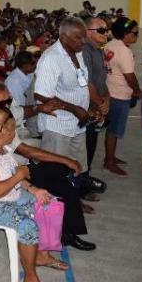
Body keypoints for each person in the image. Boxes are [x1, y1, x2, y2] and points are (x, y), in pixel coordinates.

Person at [0, 109, 68, 282]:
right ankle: (30, 277)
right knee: (27, 225)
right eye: (13, 128)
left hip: (8, 194)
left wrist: (33, 189)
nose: (15, 132)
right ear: (3, 130)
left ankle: (42, 255)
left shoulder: (1, 147)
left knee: (48, 202)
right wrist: (20, 175)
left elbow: (13, 172)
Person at [0, 82, 95, 251]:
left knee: (61, 174)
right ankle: (69, 228)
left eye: (10, 100)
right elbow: (27, 151)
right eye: (3, 103)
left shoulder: (3, 111)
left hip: (20, 168)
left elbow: (22, 111)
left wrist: (39, 108)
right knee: (61, 171)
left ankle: (69, 222)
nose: (8, 105)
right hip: (9, 177)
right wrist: (65, 159)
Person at [34, 17, 92, 176]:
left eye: (84, 37)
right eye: (78, 38)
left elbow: (82, 82)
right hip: (57, 125)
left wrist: (90, 106)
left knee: (77, 166)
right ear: (64, 38)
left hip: (77, 122)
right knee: (55, 171)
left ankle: (75, 198)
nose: (83, 41)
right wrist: (74, 109)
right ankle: (56, 201)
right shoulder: (51, 58)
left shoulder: (77, 52)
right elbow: (41, 94)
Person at [103, 17, 141, 176]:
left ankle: (110, 157)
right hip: (120, 95)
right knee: (114, 130)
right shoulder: (124, 51)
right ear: (125, 33)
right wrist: (138, 91)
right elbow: (130, 77)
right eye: (134, 33)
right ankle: (109, 162)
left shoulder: (110, 44)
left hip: (110, 90)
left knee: (111, 129)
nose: (136, 36)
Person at [82, 16, 111, 175]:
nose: (106, 33)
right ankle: (81, 187)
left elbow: (101, 79)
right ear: (87, 32)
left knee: (91, 146)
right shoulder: (84, 51)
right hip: (87, 110)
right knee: (84, 150)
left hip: (97, 107)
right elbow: (87, 83)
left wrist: (106, 99)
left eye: (106, 30)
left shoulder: (99, 51)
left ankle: (85, 180)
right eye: (101, 30)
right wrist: (101, 104)